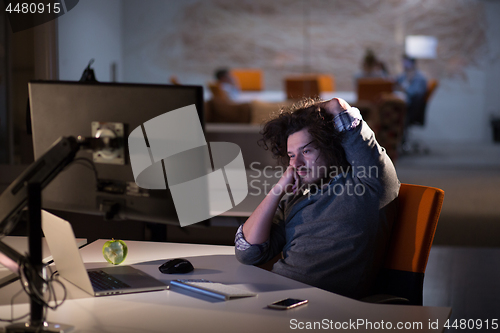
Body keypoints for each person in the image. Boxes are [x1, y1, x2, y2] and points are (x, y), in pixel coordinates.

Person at [234, 97, 400, 299]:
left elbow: (337, 107)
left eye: (306, 151)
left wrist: (303, 116)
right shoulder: (295, 199)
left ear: (330, 147)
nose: (297, 163)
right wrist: (277, 190)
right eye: (291, 155)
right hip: (276, 298)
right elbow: (247, 252)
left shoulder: (369, 184)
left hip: (325, 308)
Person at [395, 55, 428, 126]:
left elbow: (416, 93)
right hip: (402, 103)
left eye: (405, 62)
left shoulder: (419, 77)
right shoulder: (404, 75)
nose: (404, 64)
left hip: (410, 107)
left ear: (412, 63)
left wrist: (404, 89)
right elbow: (395, 83)